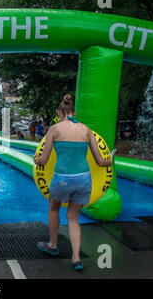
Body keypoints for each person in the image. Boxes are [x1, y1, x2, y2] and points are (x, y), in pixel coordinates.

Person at [33, 95, 114, 271]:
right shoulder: (87, 130)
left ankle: (53, 245)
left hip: (62, 179)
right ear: (74, 112)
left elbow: (44, 160)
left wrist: (36, 159)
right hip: (84, 180)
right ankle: (76, 258)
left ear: (58, 113)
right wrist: (111, 159)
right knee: (73, 217)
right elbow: (101, 162)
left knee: (54, 207)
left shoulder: (54, 129)